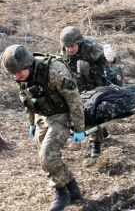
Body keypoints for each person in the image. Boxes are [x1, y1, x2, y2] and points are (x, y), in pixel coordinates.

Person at [1, 45, 86, 211]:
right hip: (43, 116)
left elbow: (73, 98)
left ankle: (61, 193)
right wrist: (32, 123)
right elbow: (26, 100)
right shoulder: (20, 76)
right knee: (44, 158)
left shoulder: (54, 70)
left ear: (28, 64)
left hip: (62, 114)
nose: (17, 76)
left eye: (19, 71)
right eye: (14, 73)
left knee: (48, 156)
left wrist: (79, 127)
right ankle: (73, 189)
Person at [60, 26, 122, 158]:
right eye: (67, 47)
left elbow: (115, 58)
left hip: (97, 81)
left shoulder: (92, 45)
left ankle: (96, 143)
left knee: (93, 109)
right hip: (80, 83)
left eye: (73, 46)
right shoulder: (64, 50)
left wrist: (112, 58)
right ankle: (101, 131)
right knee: (84, 109)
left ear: (79, 42)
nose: (70, 49)